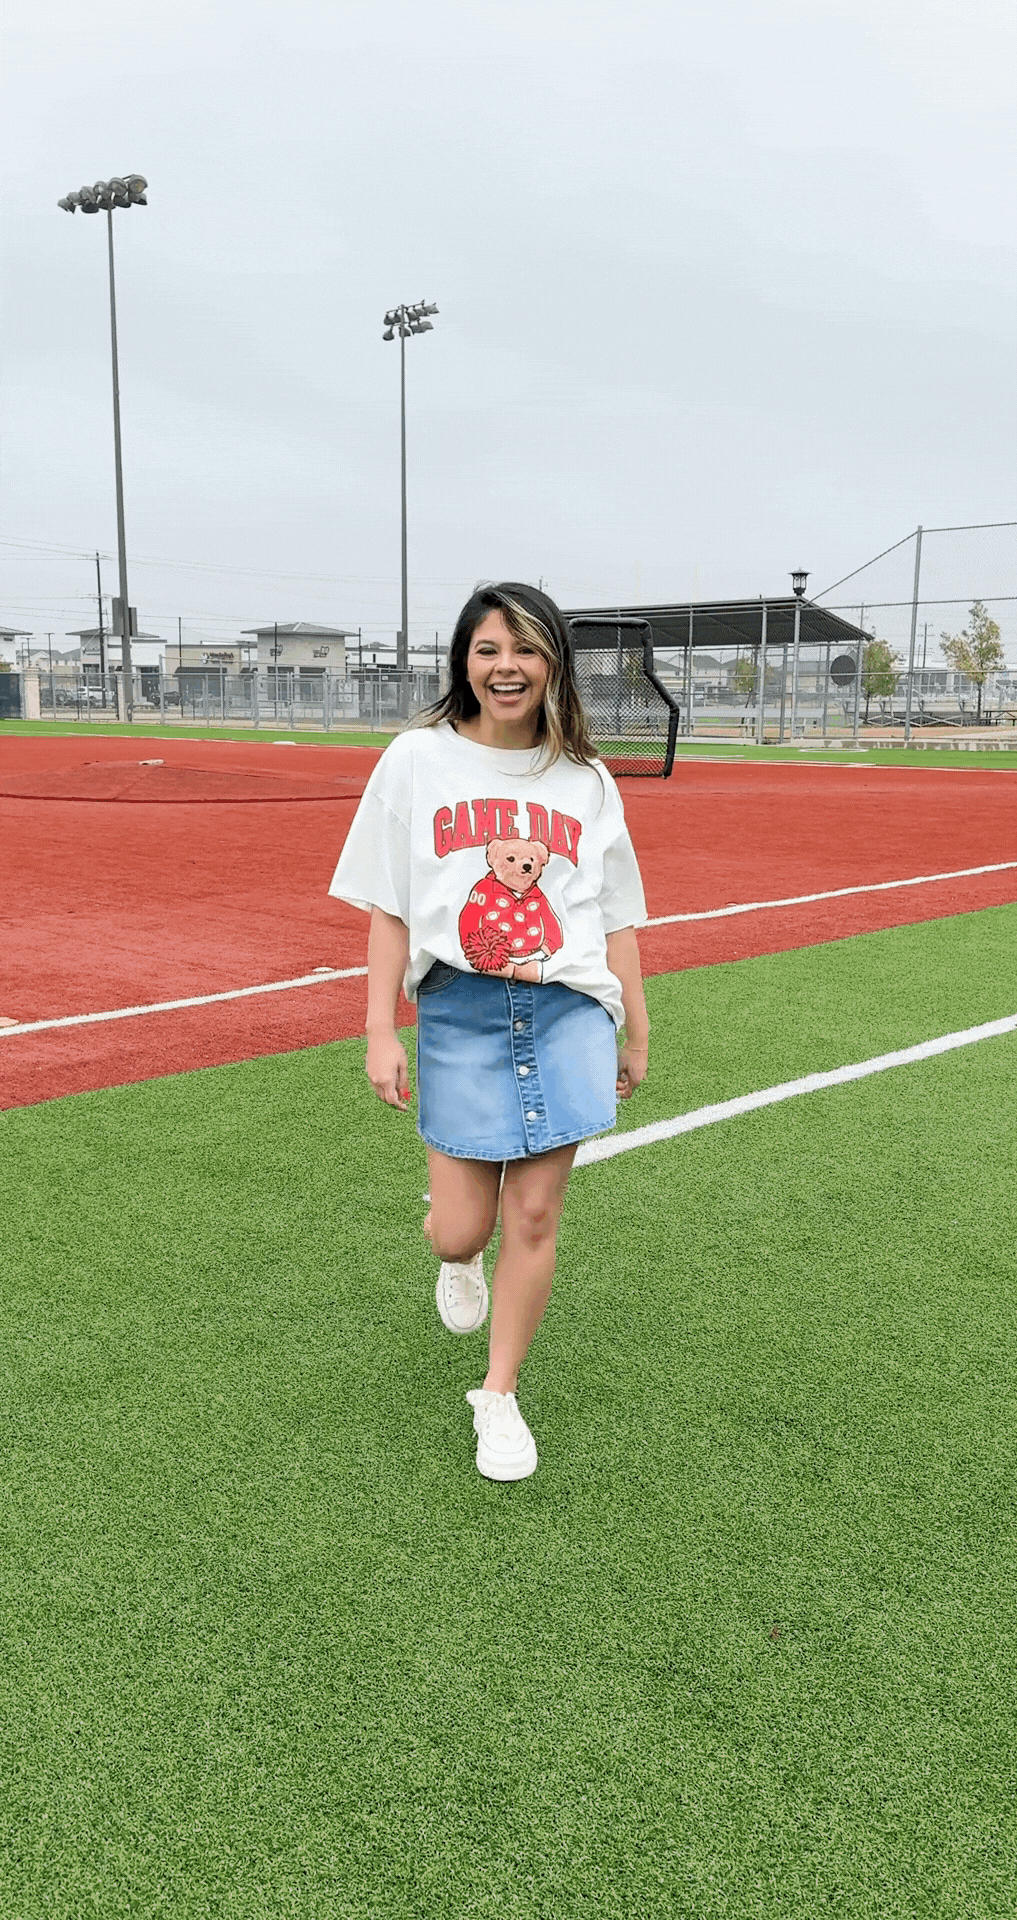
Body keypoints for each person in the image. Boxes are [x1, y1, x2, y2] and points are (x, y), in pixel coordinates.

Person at [328, 582, 649, 1482]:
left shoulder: (585, 781)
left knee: (536, 1212)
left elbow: (615, 915)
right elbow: (390, 906)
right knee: (460, 1230)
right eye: (487, 649)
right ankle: (455, 1255)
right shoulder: (415, 760)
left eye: (526, 650)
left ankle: (498, 1396)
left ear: (554, 666)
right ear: (465, 662)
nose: (506, 668)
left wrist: (637, 1028)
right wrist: (378, 1029)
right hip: (460, 1011)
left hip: (569, 1008)